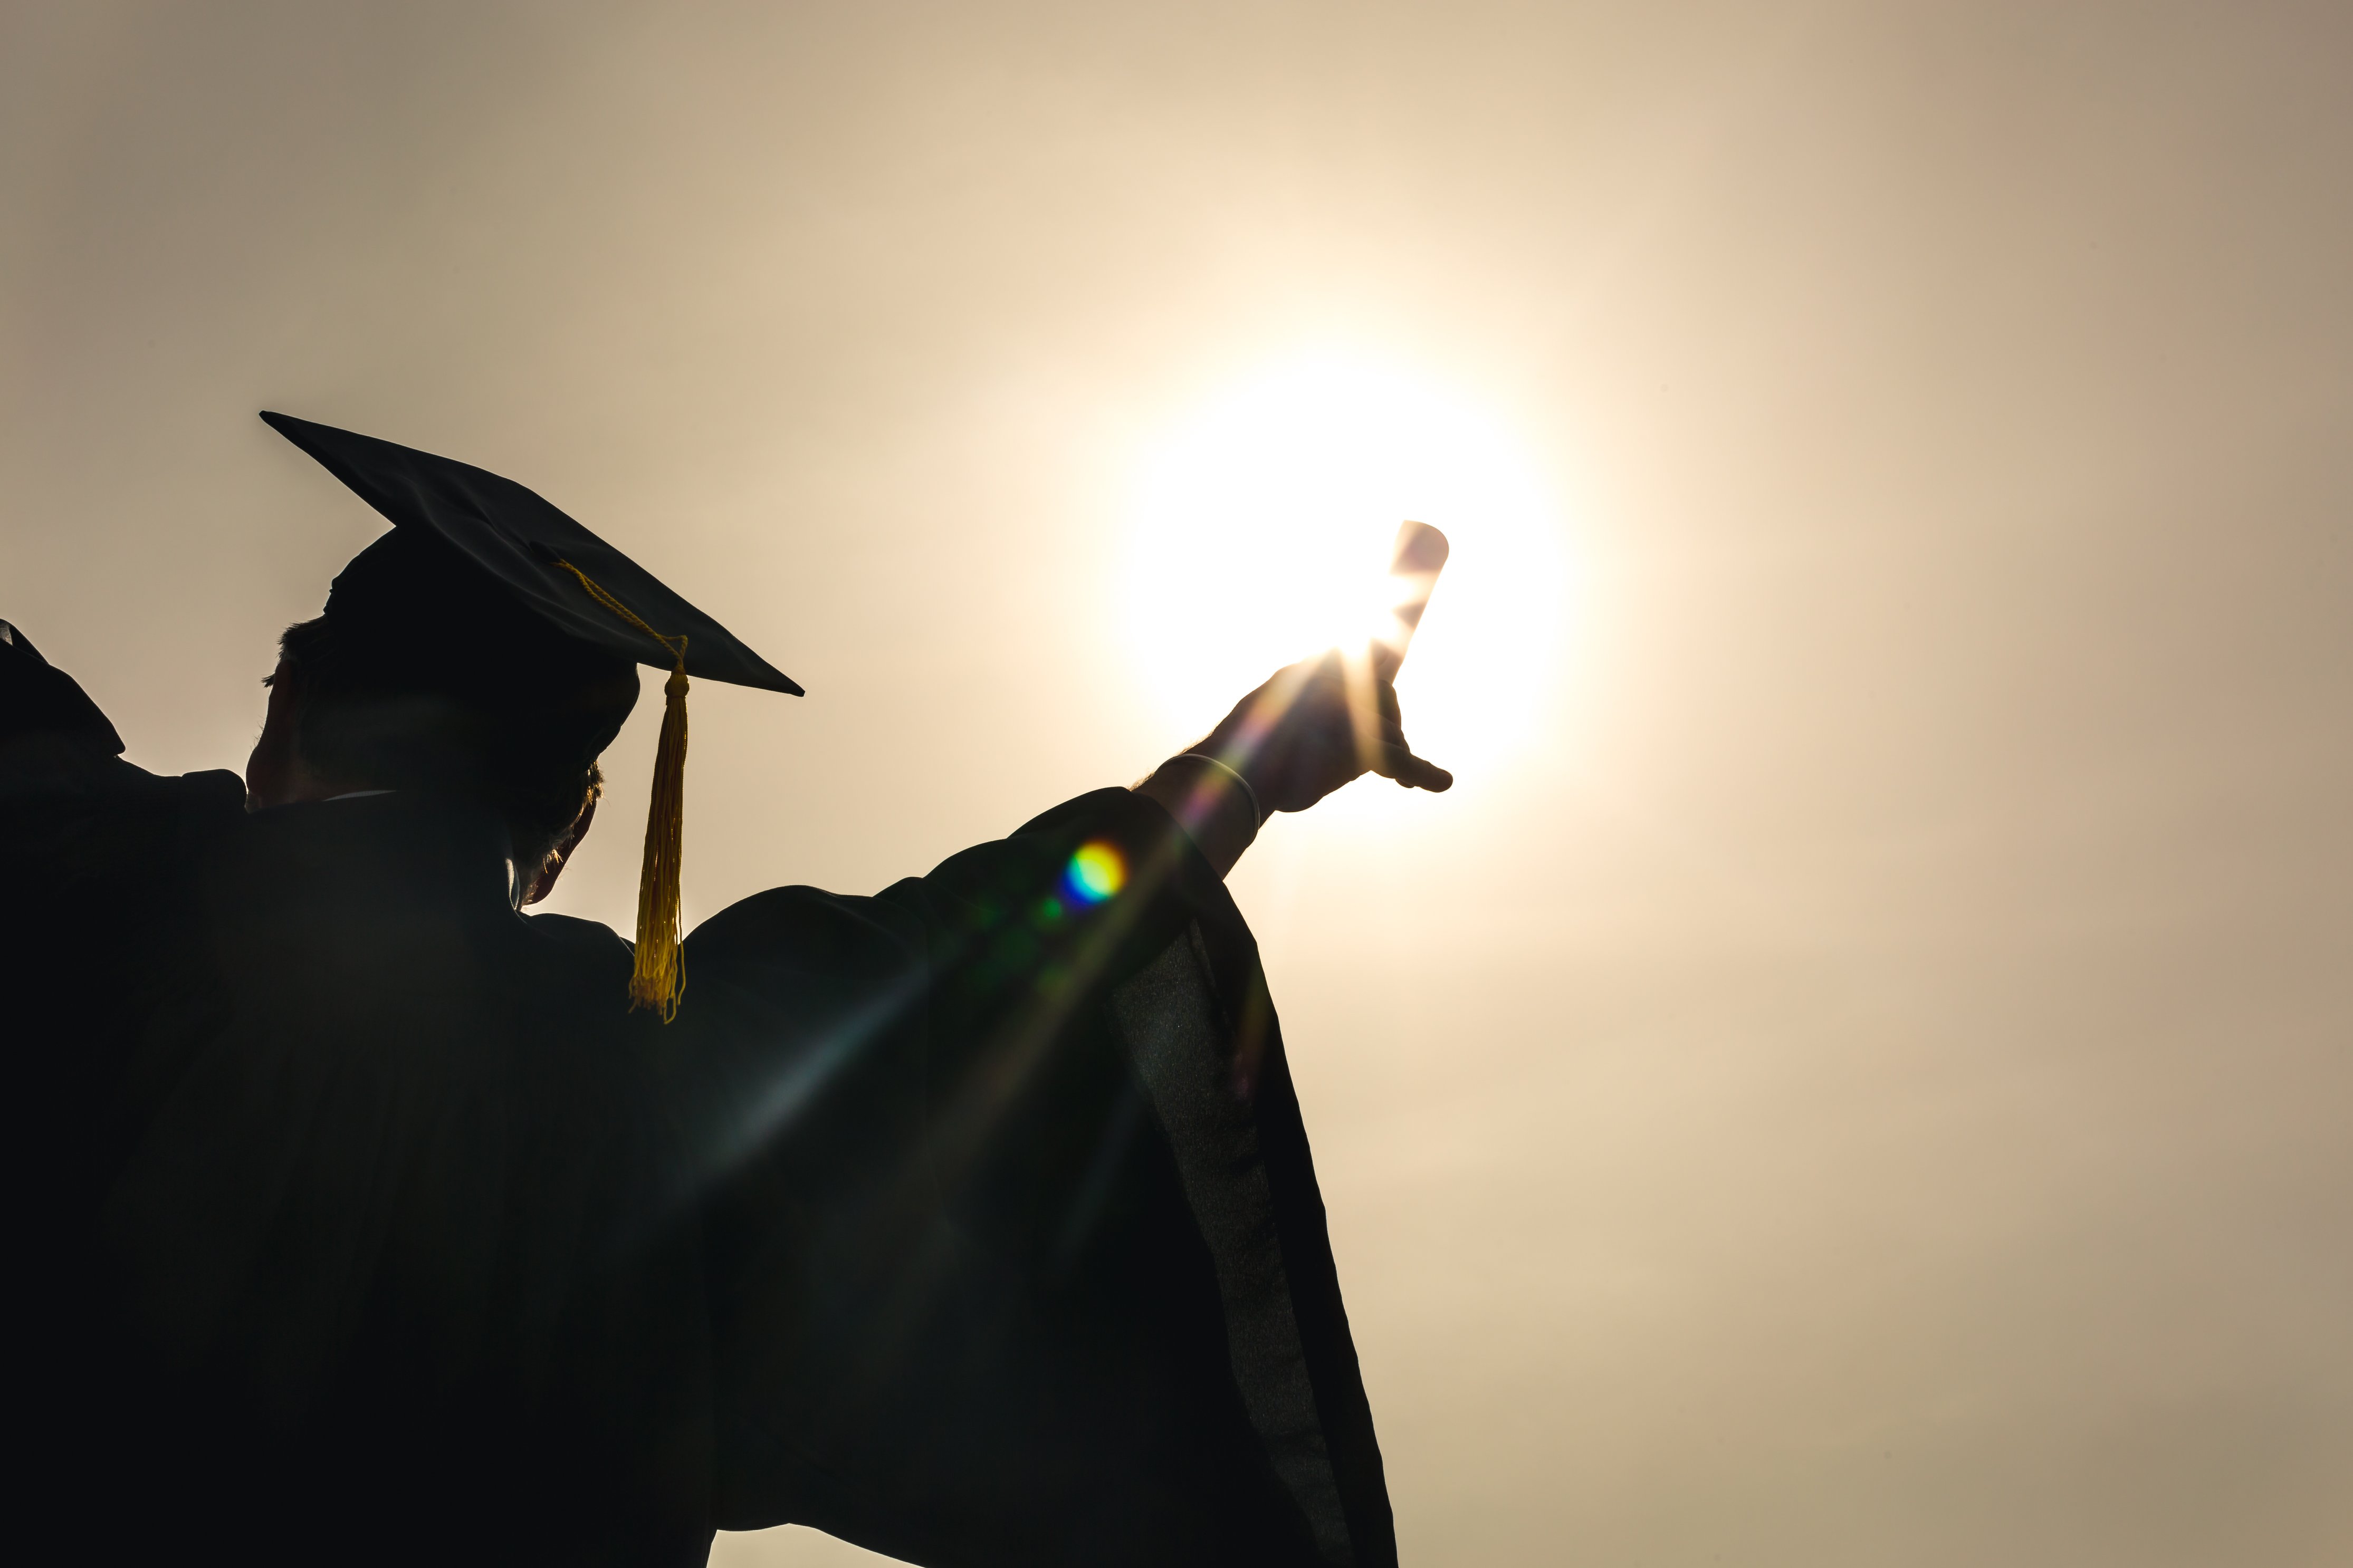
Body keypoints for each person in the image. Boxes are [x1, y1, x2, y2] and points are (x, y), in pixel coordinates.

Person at [0, 415, 1451, 1567]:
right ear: (568, 826)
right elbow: (996, 946)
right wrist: (1249, 762)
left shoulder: (94, 885)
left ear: (290, 708)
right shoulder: (679, 1077)